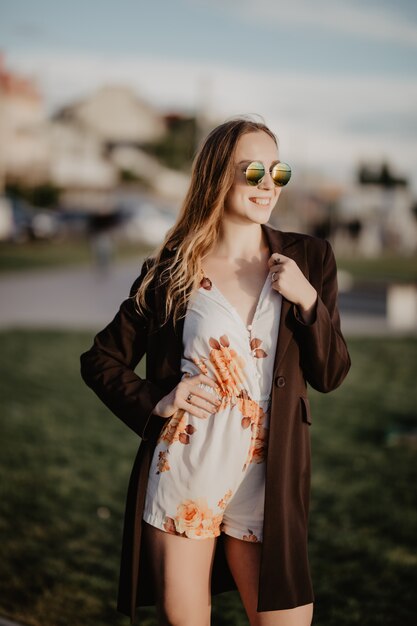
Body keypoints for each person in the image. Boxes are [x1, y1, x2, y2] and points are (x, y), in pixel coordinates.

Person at [80, 117, 351, 626]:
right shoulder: (172, 269)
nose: (268, 183)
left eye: (278, 171)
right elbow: (100, 359)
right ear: (215, 177)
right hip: (187, 467)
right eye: (252, 171)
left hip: (268, 477)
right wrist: (155, 402)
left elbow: (332, 372)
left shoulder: (308, 259)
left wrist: (309, 302)